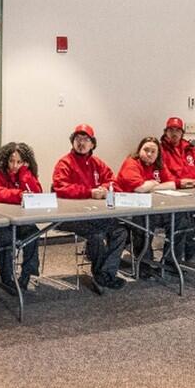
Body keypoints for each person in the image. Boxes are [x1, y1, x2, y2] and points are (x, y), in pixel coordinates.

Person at [51, 123, 128, 293]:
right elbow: (60, 188)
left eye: (86, 139)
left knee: (120, 232)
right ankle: (102, 276)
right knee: (97, 235)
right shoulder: (64, 163)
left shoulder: (97, 163)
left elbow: (113, 181)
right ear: (72, 142)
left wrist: (105, 188)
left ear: (92, 144)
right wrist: (89, 192)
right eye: (78, 139)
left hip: (94, 214)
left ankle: (105, 274)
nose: (82, 143)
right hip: (68, 216)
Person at [0, 141, 42, 294]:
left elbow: (36, 193)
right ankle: (7, 277)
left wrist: (24, 175)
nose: (15, 165)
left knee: (33, 233)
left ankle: (28, 275)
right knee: (5, 236)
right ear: (5, 160)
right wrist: (18, 195)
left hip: (20, 220)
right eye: (11, 161)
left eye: (19, 162)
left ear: (25, 163)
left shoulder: (26, 174)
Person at [116, 136, 179, 276]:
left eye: (153, 151)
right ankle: (145, 266)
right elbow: (139, 188)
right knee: (142, 222)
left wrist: (151, 185)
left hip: (155, 209)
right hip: (130, 211)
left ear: (158, 154)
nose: (149, 154)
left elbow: (172, 185)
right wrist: (153, 185)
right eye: (146, 150)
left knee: (181, 220)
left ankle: (170, 263)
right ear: (140, 150)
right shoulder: (131, 163)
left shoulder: (159, 165)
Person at [159, 116, 195, 264]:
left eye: (178, 130)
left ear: (182, 133)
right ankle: (175, 259)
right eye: (171, 130)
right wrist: (179, 183)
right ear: (166, 132)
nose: (174, 133)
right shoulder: (159, 150)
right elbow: (162, 176)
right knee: (184, 216)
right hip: (171, 197)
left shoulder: (190, 150)